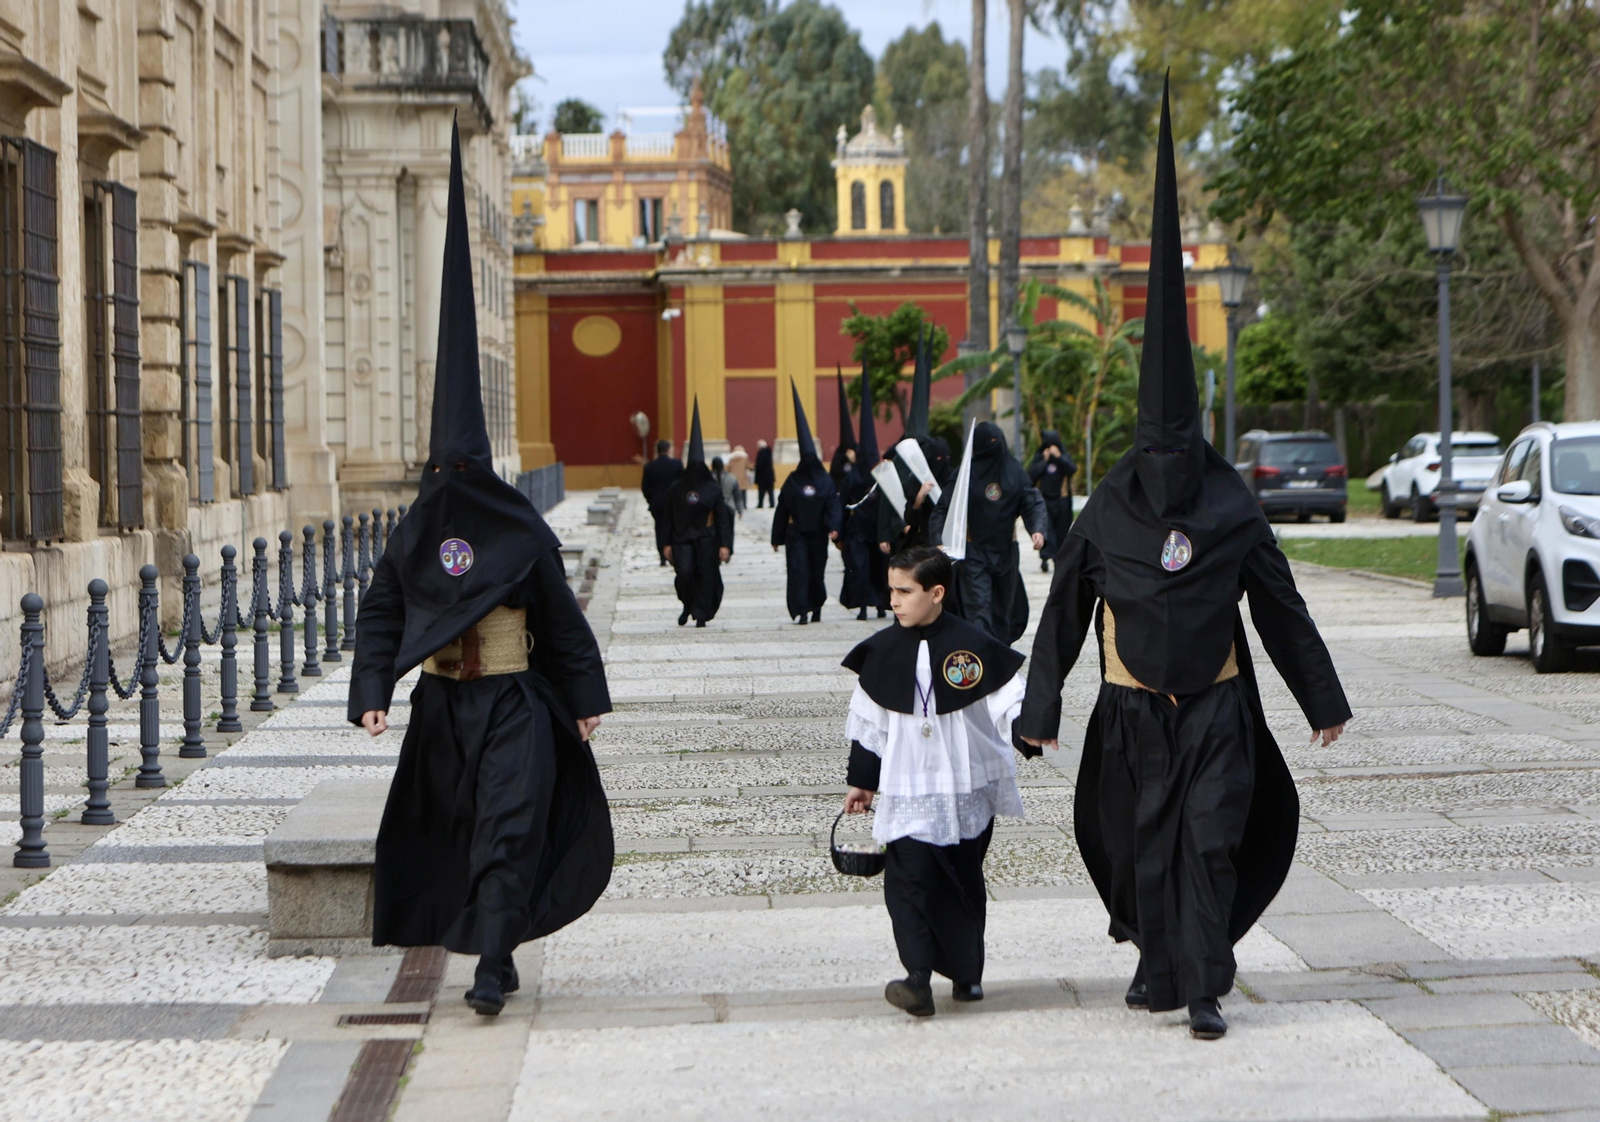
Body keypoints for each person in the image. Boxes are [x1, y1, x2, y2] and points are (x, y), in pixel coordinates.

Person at [1015, 84, 1350, 1042]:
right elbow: (1062, 616)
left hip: (1217, 709)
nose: (1166, 472)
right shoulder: (1103, 513)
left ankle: (1202, 986)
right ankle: (1154, 958)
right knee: (1139, 849)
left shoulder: (1234, 509)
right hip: (1130, 713)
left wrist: (1321, 700)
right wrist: (1040, 712)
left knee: (1207, 841)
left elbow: (1280, 608)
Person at [349, 119, 612, 1019]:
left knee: (507, 828)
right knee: (455, 835)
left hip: (510, 704)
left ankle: (493, 964)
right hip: (440, 710)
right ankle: (485, 939)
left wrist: (583, 700)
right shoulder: (415, 531)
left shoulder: (518, 533)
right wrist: (373, 689)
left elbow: (561, 618)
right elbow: (384, 611)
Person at [841, 545, 1026, 1017]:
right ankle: (917, 978)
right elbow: (871, 724)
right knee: (908, 880)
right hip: (907, 783)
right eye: (891, 591)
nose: (894, 601)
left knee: (962, 880)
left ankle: (966, 974)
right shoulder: (882, 651)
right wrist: (862, 781)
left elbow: (1008, 698)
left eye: (905, 591)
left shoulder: (972, 643)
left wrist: (1029, 729)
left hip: (964, 784)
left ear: (937, 592)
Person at [930, 422, 1048, 644]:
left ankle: (999, 651)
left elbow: (1032, 502)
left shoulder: (1014, 471)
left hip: (1006, 552)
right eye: (989, 443)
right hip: (974, 552)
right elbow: (943, 508)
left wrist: (1038, 529)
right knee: (978, 607)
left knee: (1003, 609)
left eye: (997, 442)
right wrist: (938, 540)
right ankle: (982, 654)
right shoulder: (964, 474)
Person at [771, 381, 842, 624]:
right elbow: (782, 508)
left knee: (816, 573)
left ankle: (817, 606)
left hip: (818, 534)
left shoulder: (825, 481)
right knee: (798, 571)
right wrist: (777, 536)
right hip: (797, 534)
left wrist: (834, 526)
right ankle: (801, 610)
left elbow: (833, 504)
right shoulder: (792, 481)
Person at [666, 400, 733, 628]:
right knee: (685, 573)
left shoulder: (712, 488)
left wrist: (725, 545)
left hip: (706, 538)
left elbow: (722, 518)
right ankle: (688, 604)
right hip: (682, 538)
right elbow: (668, 517)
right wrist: (665, 543)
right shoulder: (676, 488)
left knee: (706, 574)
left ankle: (701, 613)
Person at [839, 365, 889, 621]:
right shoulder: (851, 478)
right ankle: (862, 606)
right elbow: (842, 503)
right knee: (860, 568)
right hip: (858, 531)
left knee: (880, 569)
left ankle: (880, 605)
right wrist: (838, 531)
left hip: (878, 530)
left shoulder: (884, 476)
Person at [1029, 430, 1076, 573]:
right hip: (1044, 500)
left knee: (1061, 531)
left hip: (1062, 500)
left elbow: (1072, 469)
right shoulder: (1040, 456)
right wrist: (1044, 460)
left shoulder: (1063, 455)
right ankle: (1045, 558)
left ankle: (1058, 558)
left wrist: (1058, 456)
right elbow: (1031, 475)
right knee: (1047, 531)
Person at [641, 438, 683, 567]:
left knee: (659, 528)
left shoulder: (649, 466)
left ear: (657, 451)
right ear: (669, 450)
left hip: (657, 503)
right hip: (673, 502)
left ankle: (662, 557)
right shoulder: (677, 464)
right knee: (674, 528)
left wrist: (651, 499)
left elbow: (645, 487)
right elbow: (683, 483)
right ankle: (674, 554)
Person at [713, 455, 741, 519]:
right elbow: (737, 496)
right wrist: (740, 511)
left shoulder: (709, 478)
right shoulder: (731, 478)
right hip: (729, 508)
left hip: (713, 509)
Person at [725, 444, 750, 514]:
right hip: (743, 478)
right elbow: (748, 466)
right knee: (743, 493)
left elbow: (728, 468)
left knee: (734, 493)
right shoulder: (745, 457)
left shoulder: (731, 458)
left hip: (733, 477)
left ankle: (735, 505)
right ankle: (744, 505)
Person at [754, 440, 776, 508]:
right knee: (770, 491)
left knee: (761, 491)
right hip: (769, 476)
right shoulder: (769, 452)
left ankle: (760, 504)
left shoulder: (761, 453)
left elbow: (760, 464)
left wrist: (756, 467)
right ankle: (772, 503)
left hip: (762, 476)